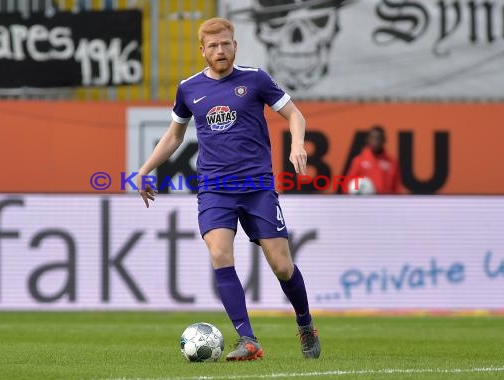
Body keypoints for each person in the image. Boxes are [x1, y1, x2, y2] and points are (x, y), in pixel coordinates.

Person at [136, 18, 320, 361]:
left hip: (257, 187)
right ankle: (248, 339)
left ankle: (305, 323)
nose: (221, 51)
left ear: (235, 45)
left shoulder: (255, 79)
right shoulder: (188, 88)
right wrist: (146, 169)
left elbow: (295, 115)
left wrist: (297, 144)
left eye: (226, 44)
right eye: (214, 46)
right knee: (220, 254)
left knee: (281, 265)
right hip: (214, 189)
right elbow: (175, 135)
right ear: (202, 50)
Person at [346, 126, 401, 194]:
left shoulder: (392, 162)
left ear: (384, 140)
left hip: (385, 202)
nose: (375, 141)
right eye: (373, 138)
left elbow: (396, 187)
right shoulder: (359, 161)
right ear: (368, 140)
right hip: (364, 202)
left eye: (378, 138)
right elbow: (350, 183)